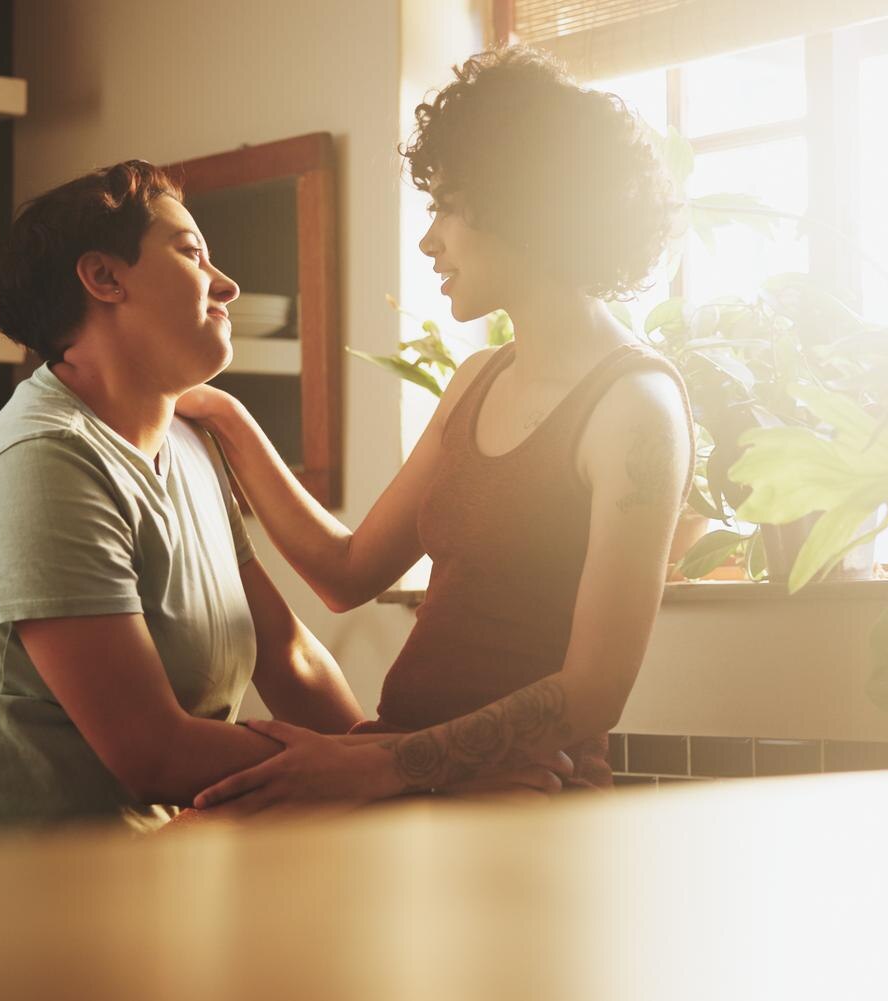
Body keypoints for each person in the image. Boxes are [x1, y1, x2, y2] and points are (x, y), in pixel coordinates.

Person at [176, 46, 693, 812]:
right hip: (410, 775)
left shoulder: (635, 406)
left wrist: (381, 765)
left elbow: (595, 690)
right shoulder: (475, 380)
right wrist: (226, 415)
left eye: (448, 205)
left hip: (523, 799)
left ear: (524, 203)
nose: (429, 240)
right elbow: (347, 573)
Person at [0, 161, 370, 855]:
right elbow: (153, 752)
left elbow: (288, 656)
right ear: (103, 277)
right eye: (191, 253)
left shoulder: (191, 445)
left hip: (123, 876)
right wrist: (376, 766)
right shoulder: (42, 460)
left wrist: (399, 765)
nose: (226, 284)